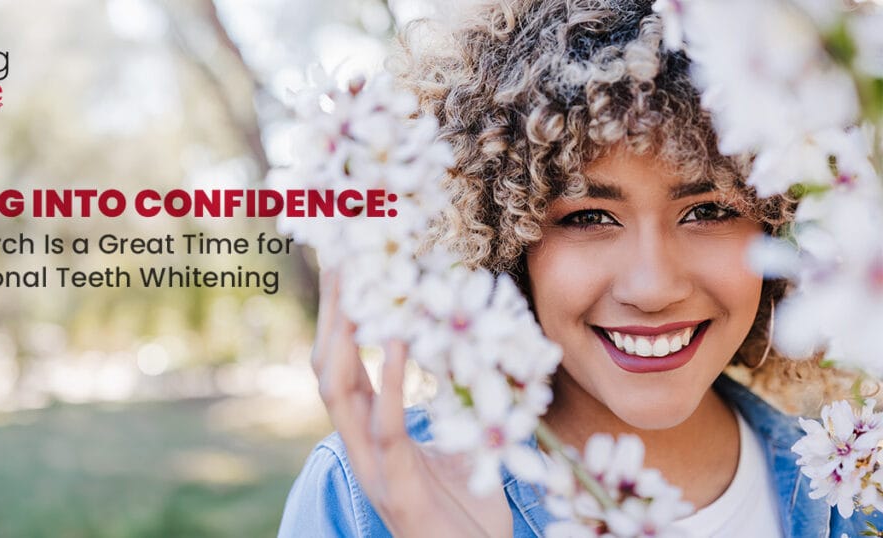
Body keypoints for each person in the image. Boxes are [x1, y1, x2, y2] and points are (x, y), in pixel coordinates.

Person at [278, 0, 883, 536]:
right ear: (503, 241)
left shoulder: (859, 500)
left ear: (783, 228)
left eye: (708, 209)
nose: (653, 287)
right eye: (589, 217)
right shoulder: (362, 501)